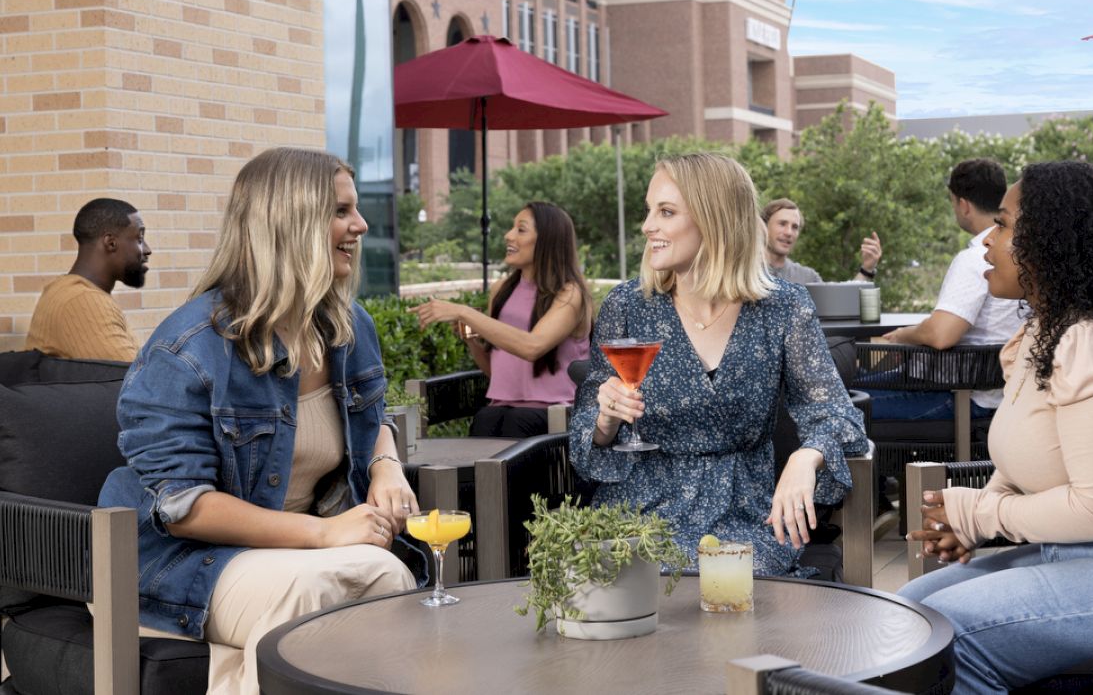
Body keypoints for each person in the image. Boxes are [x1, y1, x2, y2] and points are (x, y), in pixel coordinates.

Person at [99, 148, 418, 695]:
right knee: (307, 598)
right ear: (288, 222)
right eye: (341, 211)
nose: (360, 226)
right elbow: (181, 506)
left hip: (291, 550)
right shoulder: (191, 347)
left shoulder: (345, 326)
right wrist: (323, 533)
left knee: (390, 576)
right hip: (179, 557)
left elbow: (369, 418)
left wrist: (385, 465)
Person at [899, 161, 1093, 693]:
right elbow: (1027, 460)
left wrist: (979, 511)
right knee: (903, 613)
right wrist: (974, 519)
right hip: (1088, 553)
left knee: (945, 634)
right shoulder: (1044, 335)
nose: (988, 240)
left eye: (1006, 224)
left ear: (1051, 244)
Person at [569, 153, 868, 576]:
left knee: (732, 581)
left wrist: (807, 456)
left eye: (666, 212)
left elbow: (839, 416)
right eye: (649, 210)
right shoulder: (627, 305)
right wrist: (604, 421)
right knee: (628, 574)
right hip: (639, 509)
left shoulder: (783, 307)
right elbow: (585, 434)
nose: (647, 226)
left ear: (716, 219)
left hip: (745, 511)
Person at [412, 201, 592, 438]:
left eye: (521, 229)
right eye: (511, 228)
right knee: (485, 420)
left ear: (547, 239)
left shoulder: (569, 294)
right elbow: (496, 371)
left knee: (516, 423)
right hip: (503, 408)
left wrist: (465, 312)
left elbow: (532, 347)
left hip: (558, 412)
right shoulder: (502, 290)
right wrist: (472, 340)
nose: (508, 236)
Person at [873, 158, 1022, 419]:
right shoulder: (1021, 259)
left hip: (963, 399)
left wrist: (903, 336)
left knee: (845, 403)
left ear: (963, 205)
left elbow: (941, 335)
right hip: (1004, 397)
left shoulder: (977, 256)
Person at [25, 197, 151, 361]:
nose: (147, 250)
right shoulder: (81, 301)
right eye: (139, 239)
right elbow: (137, 380)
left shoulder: (74, 292)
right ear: (110, 243)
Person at [761, 197, 881, 284]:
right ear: (763, 227)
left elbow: (839, 303)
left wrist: (867, 269)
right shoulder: (744, 272)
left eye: (795, 227)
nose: (789, 232)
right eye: (782, 224)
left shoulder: (807, 278)